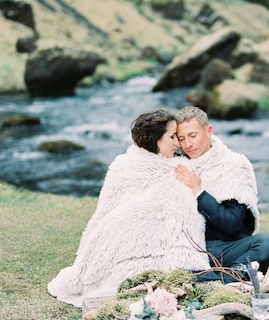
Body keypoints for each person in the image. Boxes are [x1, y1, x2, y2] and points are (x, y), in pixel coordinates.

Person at [47, 108, 210, 307]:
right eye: (172, 137)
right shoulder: (123, 165)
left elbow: (180, 214)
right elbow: (104, 211)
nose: (178, 143)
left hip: (160, 246)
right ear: (155, 139)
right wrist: (87, 254)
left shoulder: (180, 170)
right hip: (120, 241)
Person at [175, 106, 269, 283]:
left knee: (267, 243)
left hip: (229, 248)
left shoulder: (233, 165)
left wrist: (199, 192)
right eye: (182, 138)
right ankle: (223, 280)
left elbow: (232, 225)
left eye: (193, 136)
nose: (188, 145)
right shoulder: (176, 163)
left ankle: (223, 281)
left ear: (208, 132)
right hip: (192, 250)